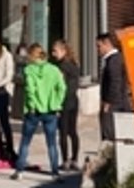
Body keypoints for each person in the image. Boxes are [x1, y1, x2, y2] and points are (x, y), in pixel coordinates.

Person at [12, 40, 66, 180]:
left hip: (33, 110)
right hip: (51, 110)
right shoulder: (54, 70)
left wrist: (32, 105)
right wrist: (57, 103)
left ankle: (19, 170)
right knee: (52, 143)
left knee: (25, 141)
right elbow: (62, 88)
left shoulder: (29, 70)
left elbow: (30, 90)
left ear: (31, 56)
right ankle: (54, 172)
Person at [51, 39, 84, 171]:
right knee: (73, 131)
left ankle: (65, 160)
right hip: (73, 101)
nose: (53, 54)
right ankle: (75, 159)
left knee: (63, 132)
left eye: (55, 51)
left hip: (64, 102)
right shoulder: (74, 64)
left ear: (63, 51)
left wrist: (57, 103)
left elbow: (60, 87)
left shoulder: (61, 67)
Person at [96, 31, 133, 142]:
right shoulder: (113, 60)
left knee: (110, 132)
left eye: (99, 46)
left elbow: (115, 82)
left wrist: (108, 102)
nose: (98, 50)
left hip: (115, 104)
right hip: (116, 102)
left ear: (107, 43)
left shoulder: (114, 61)